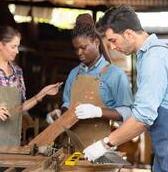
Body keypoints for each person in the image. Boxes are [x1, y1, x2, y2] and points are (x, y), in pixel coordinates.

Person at [83, 5, 168, 172]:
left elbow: (143, 117)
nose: (112, 47)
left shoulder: (154, 58)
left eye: (113, 40)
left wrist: (105, 143)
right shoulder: (146, 56)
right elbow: (139, 110)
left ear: (128, 33)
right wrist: (99, 112)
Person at [0, 26, 62, 148]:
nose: (17, 51)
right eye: (13, 47)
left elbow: (20, 108)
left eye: (17, 46)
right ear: (1, 46)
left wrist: (42, 93)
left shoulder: (17, 72)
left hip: (11, 142)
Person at [47, 13, 133, 148]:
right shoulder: (74, 74)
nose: (79, 53)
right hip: (69, 148)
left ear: (96, 42)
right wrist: (60, 114)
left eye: (83, 47)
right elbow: (67, 103)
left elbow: (128, 113)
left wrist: (98, 111)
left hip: (98, 148)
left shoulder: (114, 75)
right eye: (76, 49)